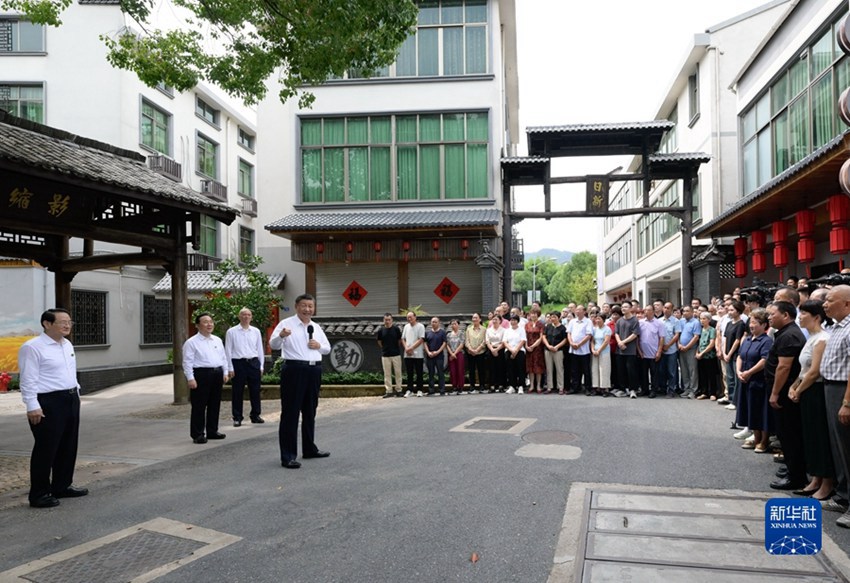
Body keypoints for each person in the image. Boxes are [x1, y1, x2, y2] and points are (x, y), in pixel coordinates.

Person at [18, 308, 88, 508]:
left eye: (69, 322)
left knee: (68, 445)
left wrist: (76, 393)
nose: (67, 325)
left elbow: (68, 373)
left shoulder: (66, 344)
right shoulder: (33, 347)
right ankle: (39, 493)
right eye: (62, 322)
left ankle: (62, 485)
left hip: (70, 398)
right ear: (47, 324)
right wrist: (32, 405)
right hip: (48, 401)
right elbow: (28, 379)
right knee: (46, 448)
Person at [269, 294, 331, 469]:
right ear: (296, 306)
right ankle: (288, 455)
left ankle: (309, 448)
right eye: (304, 306)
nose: (307, 309)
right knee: (291, 413)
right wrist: (281, 336)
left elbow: (327, 348)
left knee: (310, 411)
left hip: (314, 370)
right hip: (294, 370)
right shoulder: (285, 324)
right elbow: (273, 345)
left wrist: (318, 346)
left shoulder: (316, 327)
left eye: (310, 306)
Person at [788, 300, 834, 500]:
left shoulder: (822, 338)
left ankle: (827, 483)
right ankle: (815, 479)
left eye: (804, 313)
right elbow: (803, 369)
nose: (800, 317)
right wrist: (794, 386)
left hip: (816, 391)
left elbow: (815, 371)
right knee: (810, 436)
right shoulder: (811, 338)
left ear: (816, 316)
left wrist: (799, 390)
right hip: (806, 389)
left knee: (819, 437)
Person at [766, 301, 807, 490]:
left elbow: (784, 367)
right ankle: (792, 468)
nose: (769, 317)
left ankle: (795, 476)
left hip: (784, 392)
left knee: (789, 434)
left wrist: (775, 393)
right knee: (786, 433)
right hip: (783, 390)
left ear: (786, 315)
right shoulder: (784, 333)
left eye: (772, 314)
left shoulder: (790, 335)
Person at [821, 285, 850, 527]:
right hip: (830, 387)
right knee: (837, 446)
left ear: (847, 304)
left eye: (830, 300)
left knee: (847, 446)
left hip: (843, 390)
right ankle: (842, 495)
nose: (825, 304)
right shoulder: (835, 327)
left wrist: (847, 402)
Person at [183, 312, 230, 445]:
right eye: (205, 322)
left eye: (211, 321)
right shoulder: (191, 342)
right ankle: (197, 434)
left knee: (214, 404)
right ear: (198, 325)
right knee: (199, 405)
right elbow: (187, 362)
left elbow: (223, 357)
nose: (209, 324)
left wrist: (225, 372)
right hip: (201, 374)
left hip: (216, 373)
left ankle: (212, 431)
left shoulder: (217, 340)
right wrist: (190, 378)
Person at [735, 309, 773, 452]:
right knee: (750, 410)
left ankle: (764, 441)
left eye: (755, 323)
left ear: (764, 325)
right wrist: (739, 371)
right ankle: (755, 437)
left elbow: (764, 360)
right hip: (745, 380)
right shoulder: (748, 339)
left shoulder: (766, 341)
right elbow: (740, 356)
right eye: (750, 323)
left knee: (760, 411)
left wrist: (749, 372)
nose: (751, 326)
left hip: (758, 381)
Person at [225, 307, 265, 426]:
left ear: (251, 317)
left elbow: (260, 349)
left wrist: (261, 365)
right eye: (243, 314)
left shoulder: (256, 331)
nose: (246, 317)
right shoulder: (231, 332)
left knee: (255, 390)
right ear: (239, 316)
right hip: (238, 363)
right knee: (237, 391)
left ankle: (255, 415)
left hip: (253, 362)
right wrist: (230, 367)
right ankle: (237, 417)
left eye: (248, 315)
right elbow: (228, 350)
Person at [615, 302, 641, 399]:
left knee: (631, 370)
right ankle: (623, 389)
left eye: (626, 307)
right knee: (621, 370)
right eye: (622, 307)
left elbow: (635, 334)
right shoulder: (619, 321)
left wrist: (623, 342)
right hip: (620, 350)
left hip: (630, 350)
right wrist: (619, 342)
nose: (623, 308)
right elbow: (616, 333)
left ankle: (633, 389)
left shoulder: (635, 320)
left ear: (630, 308)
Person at [637, 305, 664, 398]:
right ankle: (645, 389)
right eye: (645, 310)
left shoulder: (659, 323)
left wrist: (659, 351)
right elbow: (637, 338)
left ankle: (654, 390)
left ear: (653, 311)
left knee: (654, 373)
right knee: (643, 373)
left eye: (648, 310)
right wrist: (639, 350)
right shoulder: (640, 322)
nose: (646, 312)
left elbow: (661, 338)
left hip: (654, 353)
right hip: (643, 353)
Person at [376, 313, 403, 398]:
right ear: (383, 320)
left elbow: (399, 340)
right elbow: (379, 342)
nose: (387, 321)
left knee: (398, 373)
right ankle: (389, 390)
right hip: (385, 355)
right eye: (386, 320)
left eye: (389, 319)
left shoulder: (396, 329)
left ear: (392, 320)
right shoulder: (381, 330)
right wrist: (384, 348)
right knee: (387, 374)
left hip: (396, 354)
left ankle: (399, 390)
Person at [568, 305, 593, 395]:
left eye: (579, 310)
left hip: (584, 350)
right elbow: (569, 333)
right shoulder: (572, 321)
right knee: (574, 370)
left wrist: (579, 344)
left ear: (584, 311)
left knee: (586, 370)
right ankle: (575, 387)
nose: (577, 311)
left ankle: (587, 388)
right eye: (576, 310)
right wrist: (571, 342)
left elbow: (589, 335)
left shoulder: (588, 321)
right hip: (573, 349)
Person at [695, 312, 721, 400]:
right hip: (700, 355)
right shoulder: (701, 330)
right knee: (702, 374)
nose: (702, 321)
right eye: (701, 318)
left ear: (709, 320)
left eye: (704, 319)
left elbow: (711, 343)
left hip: (709, 355)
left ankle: (713, 393)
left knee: (711, 375)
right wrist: (697, 353)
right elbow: (699, 342)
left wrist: (702, 353)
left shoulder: (712, 330)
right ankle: (704, 392)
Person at [678, 305, 701, 399]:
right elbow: (678, 334)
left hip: (691, 349)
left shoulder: (696, 322)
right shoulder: (681, 321)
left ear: (692, 312)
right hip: (681, 349)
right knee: (684, 370)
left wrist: (687, 347)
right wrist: (679, 344)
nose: (685, 313)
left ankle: (693, 390)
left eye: (687, 311)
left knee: (692, 370)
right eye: (683, 311)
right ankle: (686, 388)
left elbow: (696, 337)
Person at [659, 302, 682, 398]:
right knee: (662, 371)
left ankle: (671, 390)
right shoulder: (659, 321)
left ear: (672, 310)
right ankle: (663, 389)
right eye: (664, 307)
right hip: (661, 350)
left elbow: (676, 335)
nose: (666, 309)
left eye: (668, 308)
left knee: (671, 371)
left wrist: (668, 345)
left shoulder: (676, 321)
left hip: (671, 350)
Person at [401, 311, 426, 398]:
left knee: (419, 373)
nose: (409, 319)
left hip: (418, 354)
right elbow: (403, 339)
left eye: (411, 317)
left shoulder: (420, 326)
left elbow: (421, 339)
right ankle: (410, 390)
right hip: (407, 354)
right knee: (409, 373)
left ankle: (419, 390)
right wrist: (406, 348)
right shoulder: (406, 327)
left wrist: (411, 348)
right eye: (408, 317)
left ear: (415, 317)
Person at [543, 311, 567, 394]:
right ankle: (549, 387)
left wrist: (557, 347)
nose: (552, 319)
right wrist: (548, 345)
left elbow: (565, 339)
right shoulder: (548, 326)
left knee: (559, 369)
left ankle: (560, 387)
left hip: (558, 350)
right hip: (548, 350)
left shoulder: (562, 328)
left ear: (559, 318)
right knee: (549, 369)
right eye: (551, 317)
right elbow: (544, 336)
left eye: (554, 317)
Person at [503, 314, 527, 394]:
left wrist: (516, 350)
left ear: (518, 321)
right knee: (510, 369)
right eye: (512, 320)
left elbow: (523, 340)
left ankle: (521, 386)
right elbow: (504, 342)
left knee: (520, 368)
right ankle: (512, 386)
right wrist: (511, 350)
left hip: (519, 350)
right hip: (509, 350)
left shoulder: (521, 329)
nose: (513, 322)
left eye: (515, 320)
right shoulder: (507, 330)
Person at [464, 313, 487, 394]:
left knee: (481, 370)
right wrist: (470, 349)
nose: (474, 319)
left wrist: (477, 350)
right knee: (471, 370)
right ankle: (472, 386)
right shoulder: (468, 329)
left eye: (476, 318)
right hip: (470, 353)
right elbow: (466, 341)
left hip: (480, 352)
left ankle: (482, 386)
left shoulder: (484, 329)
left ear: (480, 319)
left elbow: (485, 341)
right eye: (473, 318)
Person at [424, 317, 447, 396]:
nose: (433, 323)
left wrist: (437, 352)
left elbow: (444, 343)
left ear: (439, 323)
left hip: (439, 356)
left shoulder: (442, 332)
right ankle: (431, 390)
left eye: (435, 322)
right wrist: (428, 352)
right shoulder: (428, 333)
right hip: (430, 356)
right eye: (432, 322)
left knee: (440, 373)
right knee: (431, 373)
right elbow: (425, 344)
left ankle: (442, 389)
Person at [590, 313, 611, 397]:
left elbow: (606, 341)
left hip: (604, 351)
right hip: (595, 351)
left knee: (604, 369)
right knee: (594, 369)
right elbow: (592, 341)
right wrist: (593, 350)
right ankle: (596, 387)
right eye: (596, 319)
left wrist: (599, 350)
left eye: (599, 319)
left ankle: (604, 388)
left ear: (603, 320)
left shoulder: (607, 329)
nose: (597, 320)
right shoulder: (595, 329)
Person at [525, 308, 545, 393]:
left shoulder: (541, 324)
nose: (533, 315)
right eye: (532, 313)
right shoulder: (527, 324)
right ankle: (532, 385)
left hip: (538, 348)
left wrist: (533, 346)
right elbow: (524, 336)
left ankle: (538, 385)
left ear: (538, 314)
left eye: (535, 313)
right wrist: (526, 346)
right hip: (528, 348)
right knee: (530, 367)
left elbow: (541, 337)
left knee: (538, 366)